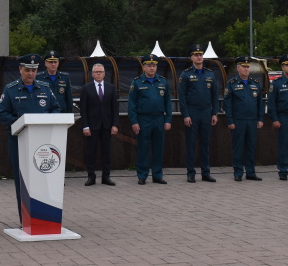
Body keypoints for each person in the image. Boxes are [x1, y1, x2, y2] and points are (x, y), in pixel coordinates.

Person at [0, 54, 61, 221]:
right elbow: (3, 113)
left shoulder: (45, 88)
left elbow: (56, 109)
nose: (31, 74)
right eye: (27, 70)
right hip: (19, 141)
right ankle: (25, 219)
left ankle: (45, 217)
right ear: (20, 70)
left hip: (43, 142)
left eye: (33, 70)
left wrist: (48, 121)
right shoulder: (10, 90)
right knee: (23, 181)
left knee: (44, 177)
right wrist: (22, 124)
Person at [128, 53, 172, 185]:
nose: (152, 68)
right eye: (149, 65)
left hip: (159, 118)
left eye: (154, 65)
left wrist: (168, 120)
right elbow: (132, 104)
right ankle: (142, 175)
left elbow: (168, 103)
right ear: (144, 67)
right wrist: (134, 122)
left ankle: (157, 175)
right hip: (143, 119)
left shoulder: (163, 82)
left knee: (158, 148)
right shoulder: (137, 83)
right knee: (143, 148)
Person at [178, 43, 218, 183]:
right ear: (191, 58)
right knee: (190, 144)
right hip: (192, 112)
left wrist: (215, 113)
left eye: (200, 54)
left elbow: (214, 95)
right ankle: (191, 173)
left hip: (207, 112)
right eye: (196, 55)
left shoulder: (210, 74)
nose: (199, 57)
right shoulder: (186, 74)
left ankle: (206, 172)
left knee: (205, 144)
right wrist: (186, 115)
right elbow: (182, 97)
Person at [224, 56, 265, 181]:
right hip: (238, 120)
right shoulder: (232, 84)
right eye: (244, 67)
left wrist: (260, 119)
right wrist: (230, 121)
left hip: (252, 120)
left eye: (248, 67)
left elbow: (260, 103)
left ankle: (251, 172)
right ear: (238, 68)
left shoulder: (255, 84)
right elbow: (228, 104)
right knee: (238, 147)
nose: (246, 69)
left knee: (251, 146)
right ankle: (238, 172)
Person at [79, 63, 119, 186]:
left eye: (100, 72)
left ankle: (106, 177)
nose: (98, 74)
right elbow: (83, 109)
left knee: (106, 152)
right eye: (96, 72)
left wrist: (115, 125)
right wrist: (85, 126)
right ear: (92, 74)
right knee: (91, 152)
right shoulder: (86, 88)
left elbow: (115, 108)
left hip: (107, 125)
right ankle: (91, 176)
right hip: (92, 126)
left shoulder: (111, 87)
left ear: (104, 74)